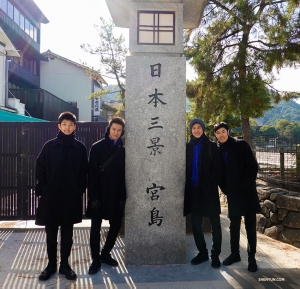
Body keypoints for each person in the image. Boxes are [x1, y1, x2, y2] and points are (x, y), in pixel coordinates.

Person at [35, 111, 88, 281]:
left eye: (70, 125)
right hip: (50, 198)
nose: (67, 127)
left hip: (70, 199)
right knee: (50, 234)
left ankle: (65, 265)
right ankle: (51, 265)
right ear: (59, 126)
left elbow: (83, 173)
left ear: (75, 127)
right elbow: (40, 168)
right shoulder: (49, 146)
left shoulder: (80, 148)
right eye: (64, 124)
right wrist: (43, 189)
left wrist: (78, 190)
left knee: (67, 235)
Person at [213, 122, 261, 272]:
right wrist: (226, 189)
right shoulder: (218, 150)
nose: (221, 135)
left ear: (228, 131)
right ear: (215, 135)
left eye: (223, 131)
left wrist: (245, 185)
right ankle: (235, 254)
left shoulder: (241, 145)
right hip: (233, 194)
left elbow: (253, 166)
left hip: (247, 192)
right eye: (218, 133)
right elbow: (219, 174)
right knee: (234, 225)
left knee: (250, 225)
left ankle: (251, 257)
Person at [87, 116, 126, 275]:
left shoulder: (123, 150)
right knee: (95, 228)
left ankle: (105, 253)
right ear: (108, 129)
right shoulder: (97, 148)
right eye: (114, 129)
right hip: (99, 194)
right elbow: (92, 174)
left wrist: (123, 196)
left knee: (116, 226)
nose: (116, 133)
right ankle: (95, 260)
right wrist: (93, 197)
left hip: (115, 194)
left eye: (119, 130)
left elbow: (124, 175)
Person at [184, 118, 223, 268]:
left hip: (209, 190)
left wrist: (210, 184)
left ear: (203, 129)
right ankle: (202, 252)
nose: (196, 130)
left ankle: (215, 255)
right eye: (194, 128)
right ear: (191, 130)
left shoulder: (211, 146)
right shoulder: (187, 146)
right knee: (195, 223)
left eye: (199, 127)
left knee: (215, 223)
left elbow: (218, 169)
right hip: (193, 190)